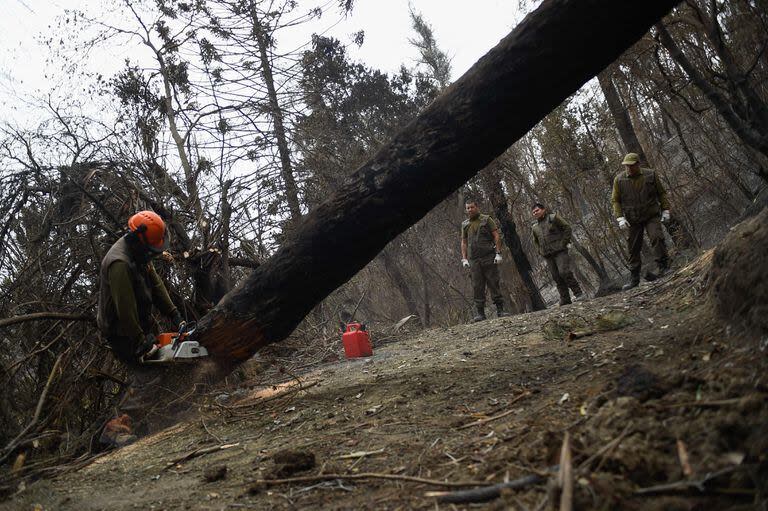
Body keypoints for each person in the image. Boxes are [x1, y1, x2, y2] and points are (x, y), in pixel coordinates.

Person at [96, 210, 183, 446]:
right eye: (151, 250)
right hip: (121, 331)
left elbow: (155, 285)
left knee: (158, 369)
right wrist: (139, 339)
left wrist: (174, 314)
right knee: (149, 374)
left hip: (138, 325)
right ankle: (114, 430)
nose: (153, 255)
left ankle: (141, 424)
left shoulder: (140, 254)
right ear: (138, 239)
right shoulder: (119, 263)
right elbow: (124, 309)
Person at [611, 153, 671, 290]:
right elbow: (616, 200)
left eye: (632, 165)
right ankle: (634, 278)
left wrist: (666, 210)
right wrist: (620, 218)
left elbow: (661, 193)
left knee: (657, 237)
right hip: (632, 219)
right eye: (627, 166)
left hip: (651, 214)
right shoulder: (619, 180)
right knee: (633, 247)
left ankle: (664, 267)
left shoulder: (650, 175)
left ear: (638, 164)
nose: (629, 168)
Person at [460, 199, 509, 322]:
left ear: (477, 207)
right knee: (477, 286)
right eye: (468, 208)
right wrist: (464, 258)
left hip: (488, 256)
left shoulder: (486, 219)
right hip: (474, 260)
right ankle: (480, 314)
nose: (470, 210)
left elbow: (496, 235)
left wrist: (498, 253)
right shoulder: (465, 224)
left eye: (472, 207)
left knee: (493, 282)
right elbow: (464, 242)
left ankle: (500, 310)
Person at [530, 203, 583, 306]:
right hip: (548, 255)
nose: (535, 213)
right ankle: (565, 299)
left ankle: (579, 293)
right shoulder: (534, 227)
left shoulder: (553, 217)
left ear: (543, 210)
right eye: (533, 212)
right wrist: (540, 251)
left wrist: (564, 243)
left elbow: (567, 228)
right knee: (556, 276)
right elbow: (535, 241)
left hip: (560, 251)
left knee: (564, 272)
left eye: (537, 210)